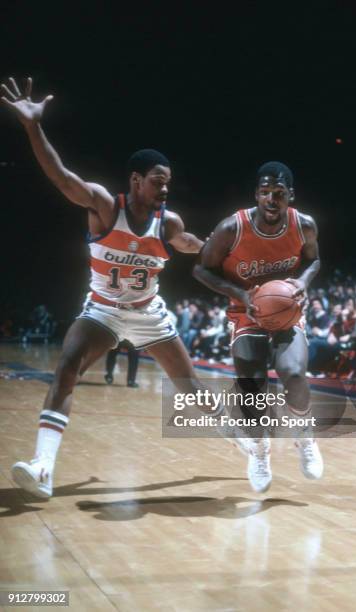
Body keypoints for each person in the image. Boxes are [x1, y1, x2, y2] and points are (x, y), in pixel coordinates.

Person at [1, 76, 212, 498]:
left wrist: (220, 252)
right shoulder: (103, 205)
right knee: (66, 369)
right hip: (103, 310)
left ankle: (248, 442)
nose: (165, 188)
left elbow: (192, 245)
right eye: (158, 180)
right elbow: (61, 178)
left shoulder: (167, 222)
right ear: (136, 180)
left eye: (168, 181)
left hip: (149, 314)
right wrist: (33, 126)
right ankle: (43, 467)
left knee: (195, 396)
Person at [194, 161, 324, 492]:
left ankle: (304, 436)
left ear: (289, 196)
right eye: (265, 192)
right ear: (257, 194)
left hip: (286, 310)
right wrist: (239, 292)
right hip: (245, 311)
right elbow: (201, 270)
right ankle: (260, 451)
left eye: (278, 193)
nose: (271, 199)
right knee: (252, 385)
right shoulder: (231, 228)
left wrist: (303, 282)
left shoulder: (303, 225)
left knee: (293, 373)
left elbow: (314, 259)